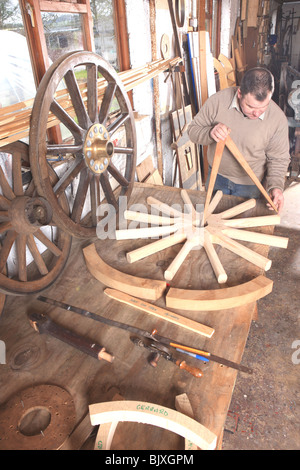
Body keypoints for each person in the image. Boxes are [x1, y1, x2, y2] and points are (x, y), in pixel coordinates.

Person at [187, 67, 290, 213]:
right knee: (211, 222)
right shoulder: (218, 101)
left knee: (244, 230)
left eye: (263, 107)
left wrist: (276, 186)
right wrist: (210, 132)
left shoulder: (277, 119)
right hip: (217, 178)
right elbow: (192, 132)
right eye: (250, 106)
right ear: (240, 93)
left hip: (251, 185)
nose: (256, 113)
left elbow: (278, 158)